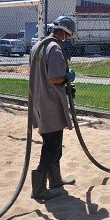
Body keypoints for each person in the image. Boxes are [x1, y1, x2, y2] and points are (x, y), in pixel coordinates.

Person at [29, 16, 77, 200]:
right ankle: (39, 188)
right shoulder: (55, 48)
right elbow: (55, 78)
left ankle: (55, 180)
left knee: (54, 143)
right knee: (52, 146)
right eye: (68, 36)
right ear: (64, 33)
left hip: (39, 100)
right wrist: (67, 77)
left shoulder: (38, 46)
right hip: (51, 103)